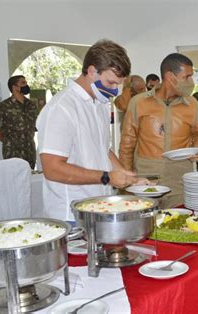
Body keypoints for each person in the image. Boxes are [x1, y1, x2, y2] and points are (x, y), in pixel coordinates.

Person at [36, 39, 147, 221]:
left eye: (118, 84)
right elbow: (52, 168)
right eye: (110, 83)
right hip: (71, 214)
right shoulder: (62, 107)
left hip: (100, 207)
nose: (115, 91)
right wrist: (107, 177)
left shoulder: (101, 102)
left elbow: (102, 148)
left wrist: (127, 178)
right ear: (92, 71)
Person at [119, 53, 198, 208]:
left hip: (179, 181)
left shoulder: (192, 104)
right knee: (144, 228)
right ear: (170, 77)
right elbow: (127, 143)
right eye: (186, 77)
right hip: (145, 180)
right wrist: (127, 179)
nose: (191, 82)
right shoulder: (139, 103)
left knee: (178, 227)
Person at [0, 75, 38, 169]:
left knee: (29, 178)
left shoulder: (31, 105)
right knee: (13, 180)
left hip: (30, 151)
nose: (26, 85)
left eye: (26, 82)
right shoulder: (3, 106)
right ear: (14, 87)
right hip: (13, 152)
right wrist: (8, 142)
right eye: (23, 83)